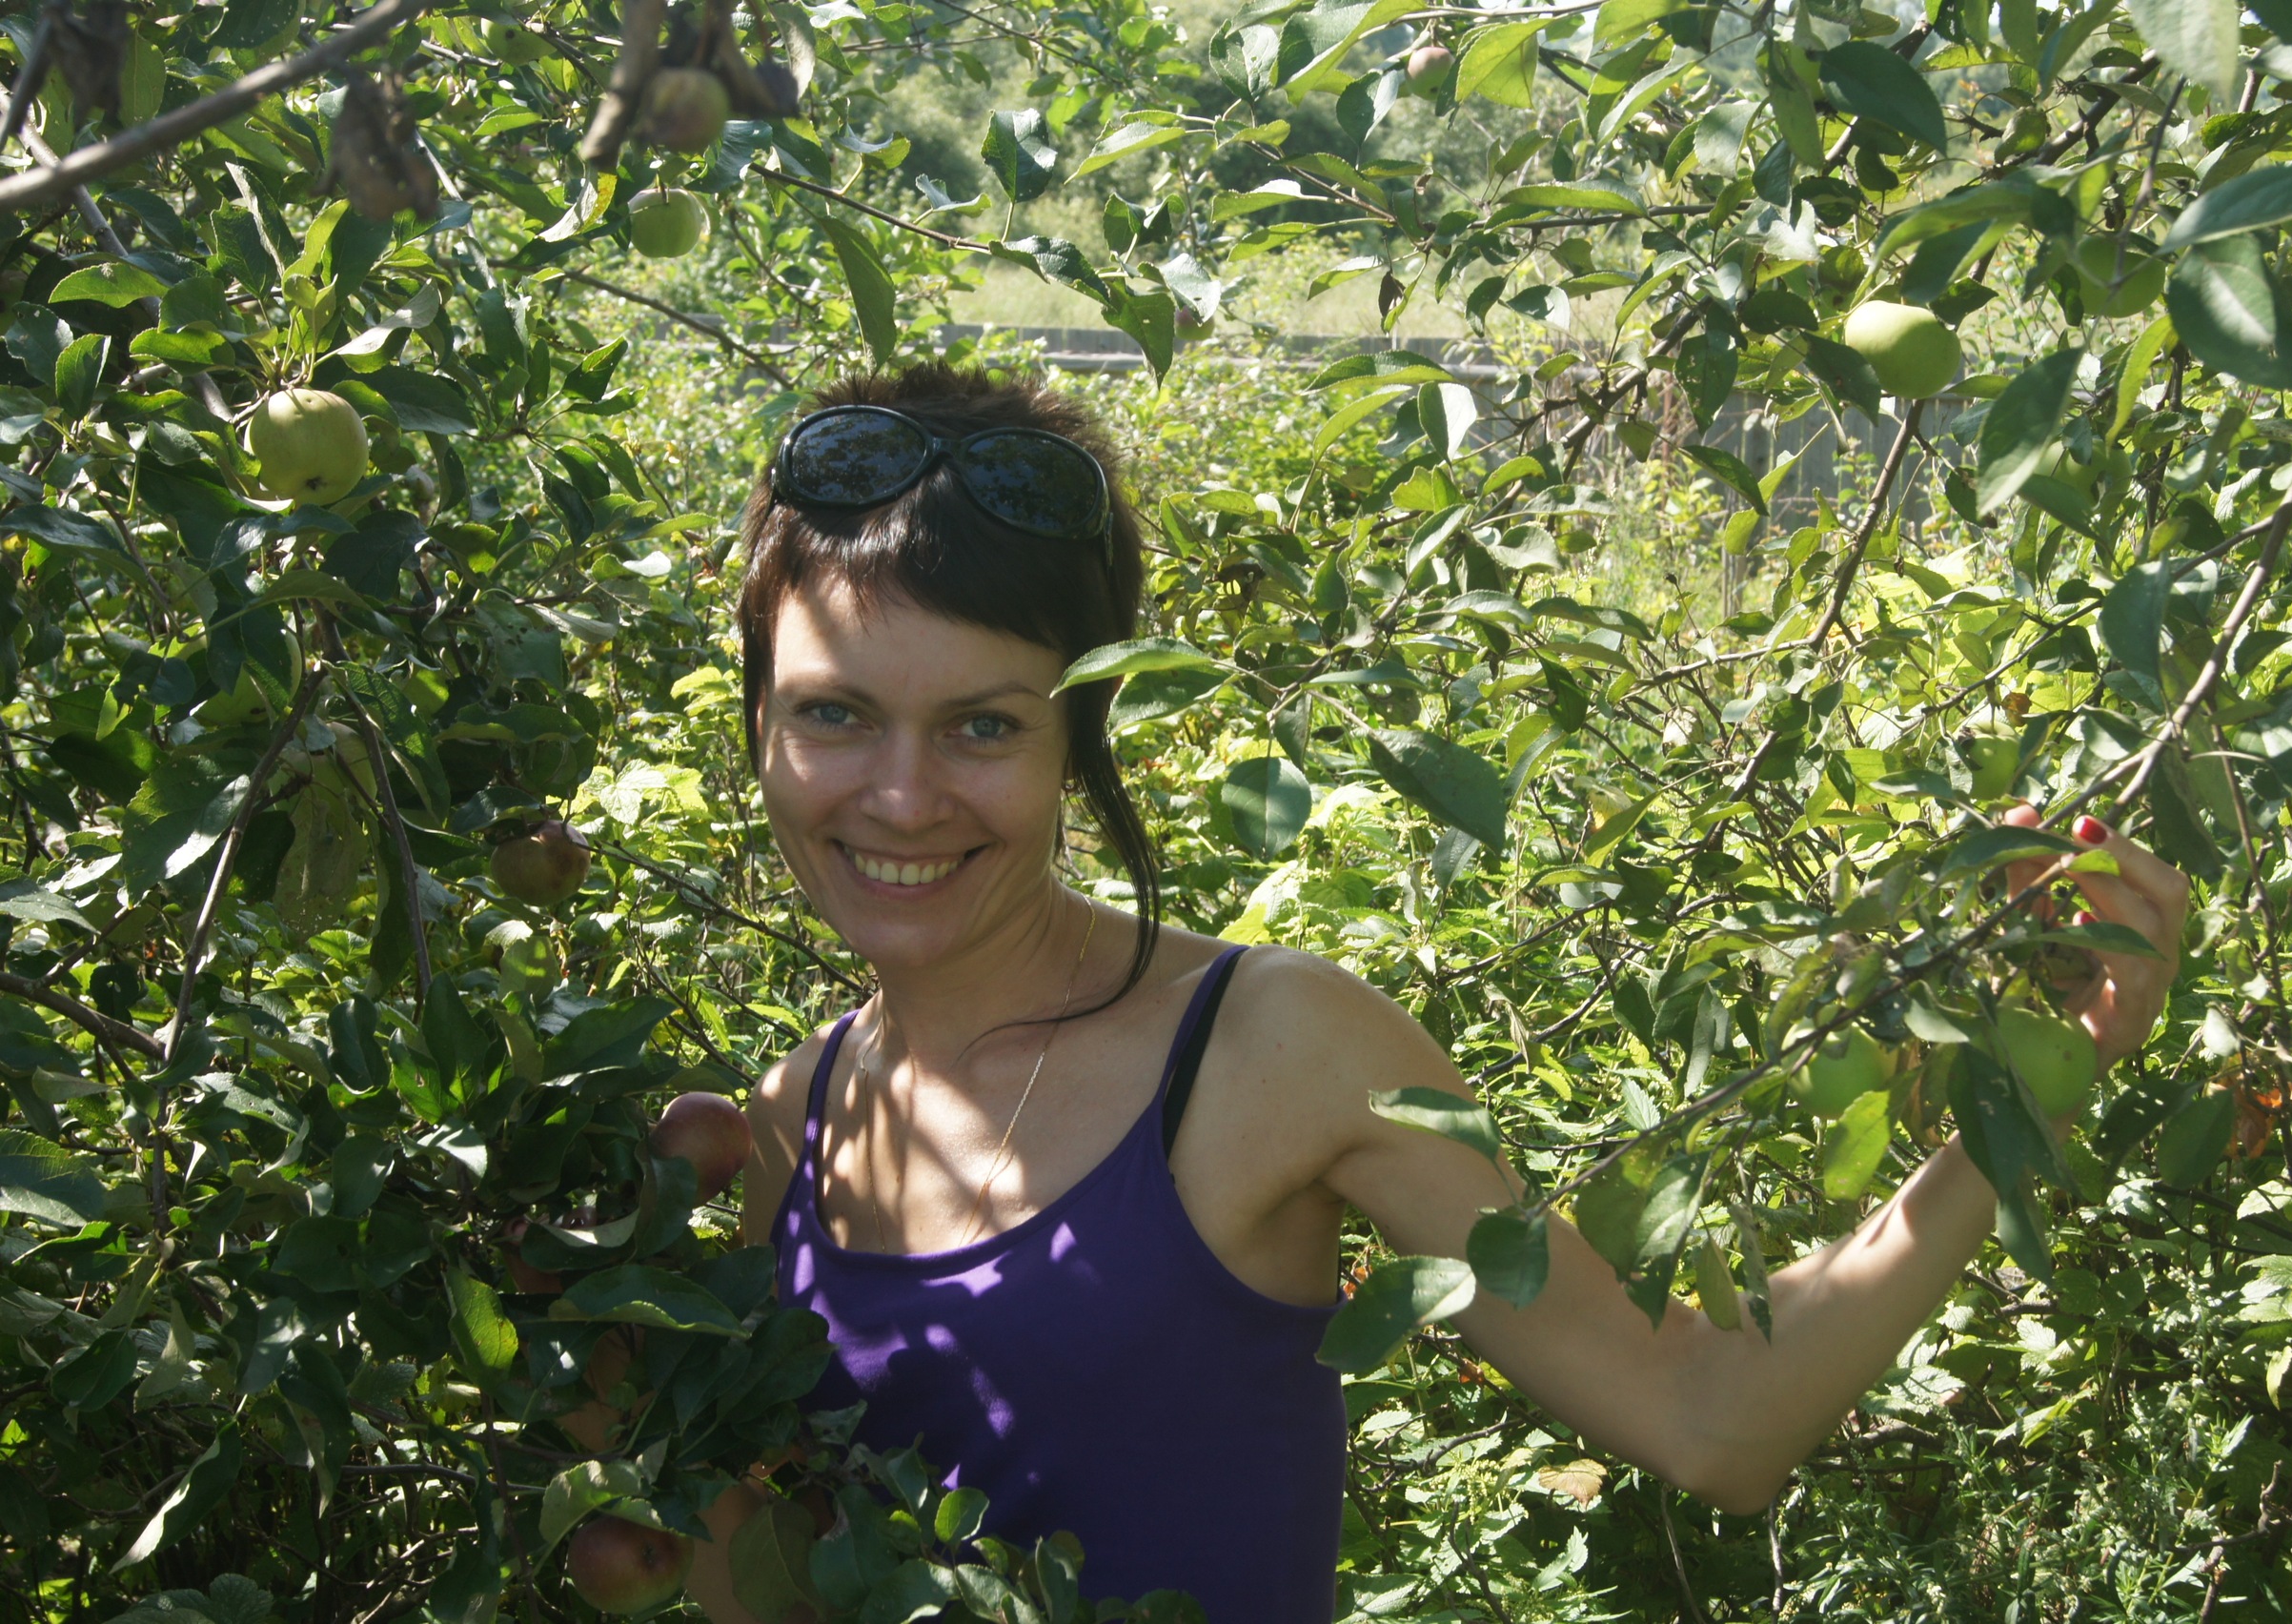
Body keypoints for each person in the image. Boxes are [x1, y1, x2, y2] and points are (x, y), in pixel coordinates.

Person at [687, 362, 2189, 1622]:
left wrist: (2024, 1095)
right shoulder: (790, 1122)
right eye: (835, 714)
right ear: (759, 723)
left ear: (1079, 740)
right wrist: (606, 1393)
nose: (901, 796)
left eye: (982, 727)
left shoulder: (1269, 1046)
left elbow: (1709, 1421)